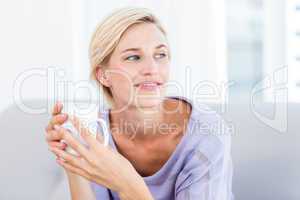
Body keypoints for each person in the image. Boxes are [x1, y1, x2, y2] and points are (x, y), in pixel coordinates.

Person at [45, 7, 234, 200]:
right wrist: (73, 162)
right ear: (103, 75)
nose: (152, 69)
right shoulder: (94, 132)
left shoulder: (206, 136)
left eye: (160, 55)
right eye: (133, 57)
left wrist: (128, 184)